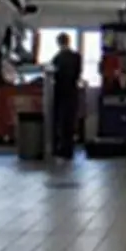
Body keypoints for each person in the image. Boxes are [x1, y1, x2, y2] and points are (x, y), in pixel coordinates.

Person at [51, 32, 81, 160]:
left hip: (60, 93)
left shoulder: (57, 58)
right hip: (73, 92)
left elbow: (54, 75)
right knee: (70, 122)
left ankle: (61, 149)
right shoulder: (76, 56)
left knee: (60, 122)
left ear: (59, 43)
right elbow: (78, 73)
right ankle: (69, 150)